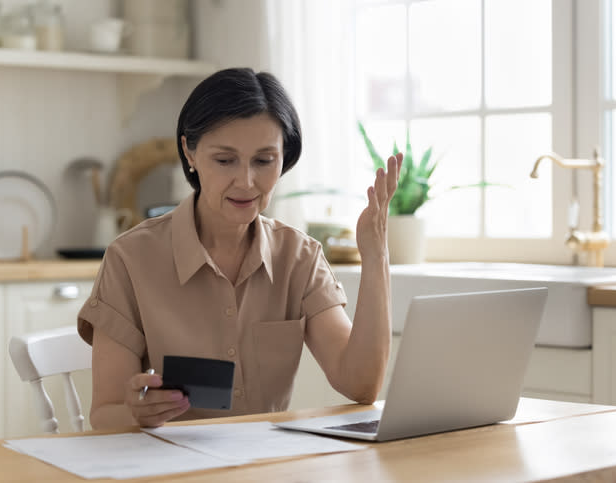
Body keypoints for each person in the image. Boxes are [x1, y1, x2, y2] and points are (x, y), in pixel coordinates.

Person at [77, 67, 401, 430]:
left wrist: (376, 256)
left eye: (264, 161)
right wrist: (138, 413)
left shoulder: (300, 257)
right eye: (224, 160)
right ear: (190, 152)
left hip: (265, 466)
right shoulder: (130, 258)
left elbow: (360, 384)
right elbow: (105, 414)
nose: (246, 182)